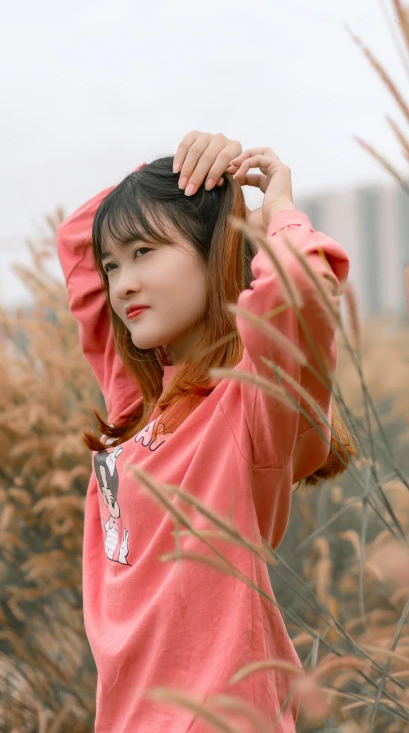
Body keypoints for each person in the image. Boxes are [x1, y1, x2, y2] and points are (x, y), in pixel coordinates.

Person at [56, 131, 355, 732]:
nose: (122, 283)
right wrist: (178, 171)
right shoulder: (136, 405)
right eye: (115, 266)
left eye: (145, 252)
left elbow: (300, 297)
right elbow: (76, 242)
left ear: (214, 251)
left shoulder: (248, 407)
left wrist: (278, 211)